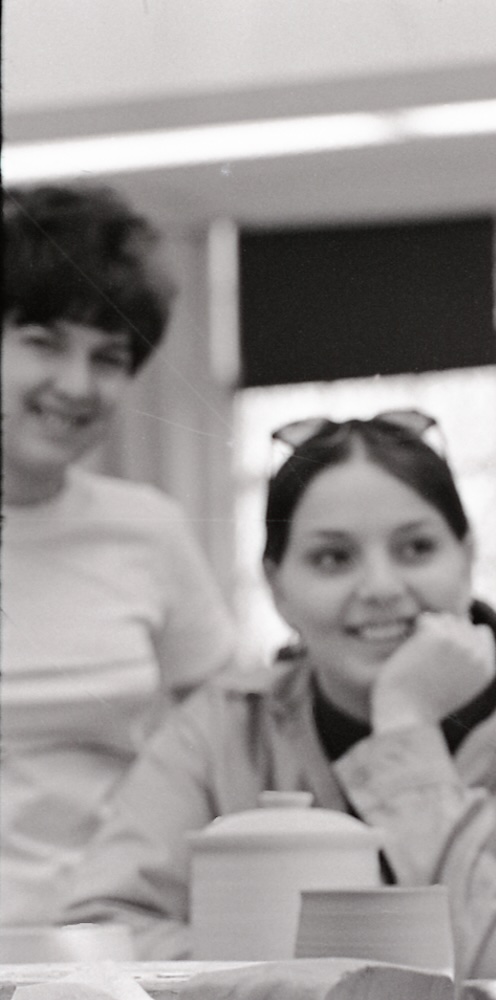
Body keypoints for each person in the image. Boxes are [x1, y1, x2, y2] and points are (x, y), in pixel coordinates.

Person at [63, 411, 496, 995]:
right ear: (277, 585)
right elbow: (99, 934)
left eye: (417, 548)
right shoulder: (220, 729)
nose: (380, 588)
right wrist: (312, 985)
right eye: (332, 558)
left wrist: (405, 728)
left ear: (467, 559)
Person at [1, 184, 239, 926]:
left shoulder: (148, 531)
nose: (76, 386)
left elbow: (225, 744)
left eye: (108, 357)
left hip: (110, 946)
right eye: (42, 342)